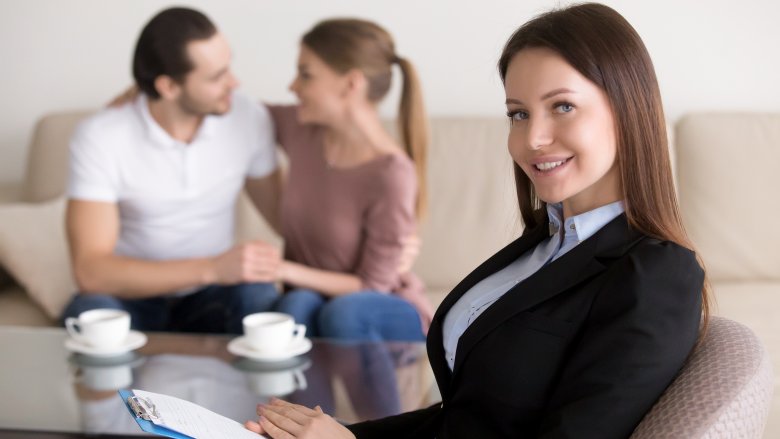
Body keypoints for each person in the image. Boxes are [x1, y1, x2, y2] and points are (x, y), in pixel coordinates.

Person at [244, 3, 710, 438]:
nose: (533, 139)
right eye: (519, 114)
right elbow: (466, 418)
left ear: (627, 110)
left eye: (562, 106)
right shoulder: (544, 244)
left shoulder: (656, 276)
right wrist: (347, 432)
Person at [61, 7, 283, 334]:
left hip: (213, 298)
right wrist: (211, 268)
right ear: (168, 86)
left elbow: (287, 216)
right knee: (90, 313)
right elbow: (92, 271)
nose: (234, 83)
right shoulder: (101, 137)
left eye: (228, 67)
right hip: (132, 298)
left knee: (259, 298)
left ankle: (251, 387)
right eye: (215, 77)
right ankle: (122, 390)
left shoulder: (248, 117)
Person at [264, 18, 435, 341]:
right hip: (314, 301)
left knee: (343, 312)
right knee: (295, 305)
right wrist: (147, 96)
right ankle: (297, 396)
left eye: (306, 74)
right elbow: (230, 110)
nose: (293, 86)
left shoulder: (391, 173)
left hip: (379, 309)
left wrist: (283, 269)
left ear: (351, 84)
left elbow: (374, 285)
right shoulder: (301, 128)